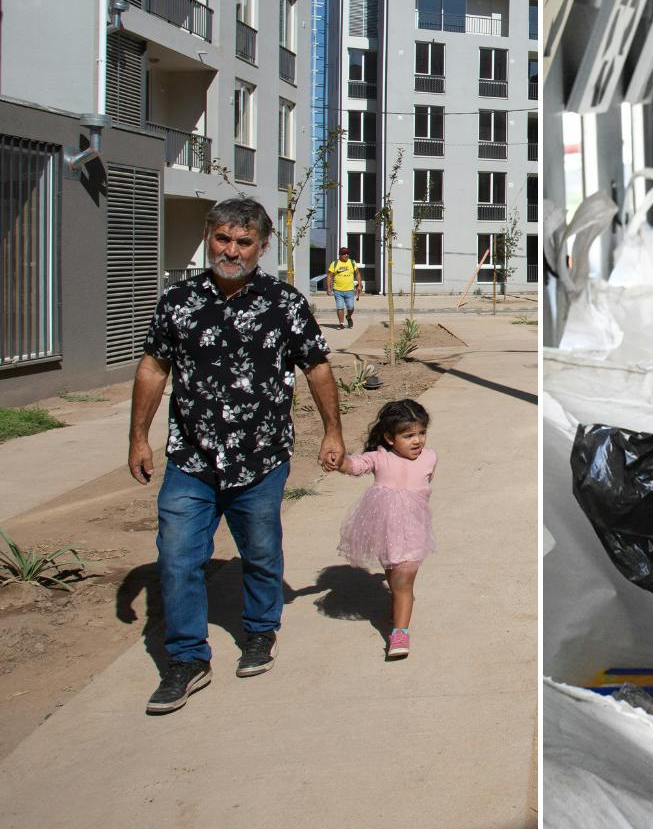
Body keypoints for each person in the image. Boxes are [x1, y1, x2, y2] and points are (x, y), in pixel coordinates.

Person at [128, 197, 345, 714]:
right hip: (191, 459)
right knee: (177, 559)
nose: (231, 250)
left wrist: (332, 431)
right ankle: (186, 659)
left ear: (262, 247)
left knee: (262, 555)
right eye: (223, 238)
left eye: (243, 242)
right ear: (210, 236)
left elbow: (316, 367)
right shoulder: (177, 300)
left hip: (261, 459)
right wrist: (138, 437)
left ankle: (258, 632)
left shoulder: (284, 304)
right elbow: (154, 368)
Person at [332, 399, 437, 660]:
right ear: (389, 438)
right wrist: (340, 460)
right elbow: (356, 466)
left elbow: (424, 487)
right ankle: (400, 603)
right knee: (392, 573)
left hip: (412, 528)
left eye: (421, 433)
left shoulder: (430, 458)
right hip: (384, 527)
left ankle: (400, 633)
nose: (417, 441)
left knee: (403, 579)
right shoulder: (380, 457)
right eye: (408, 435)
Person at [327, 246, 362, 329]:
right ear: (340, 255)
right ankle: (341, 323)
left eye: (347, 253)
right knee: (340, 307)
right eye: (344, 254)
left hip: (350, 290)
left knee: (351, 307)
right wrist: (328, 288)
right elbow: (329, 276)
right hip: (338, 290)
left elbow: (357, 274)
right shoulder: (334, 264)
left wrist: (359, 285)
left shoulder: (352, 263)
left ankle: (348, 317)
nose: (346, 255)